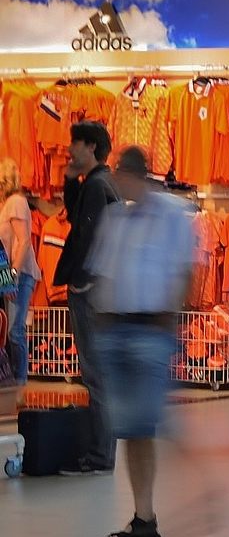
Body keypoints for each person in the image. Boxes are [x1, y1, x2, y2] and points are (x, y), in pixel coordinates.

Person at [87, 147, 195, 537]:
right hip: (116, 330)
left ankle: (204, 491)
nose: (118, 181)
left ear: (136, 174)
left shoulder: (171, 214)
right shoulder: (117, 218)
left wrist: (171, 320)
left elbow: (185, 270)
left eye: (121, 174)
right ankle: (143, 516)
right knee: (132, 429)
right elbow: (103, 270)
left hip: (151, 330)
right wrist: (101, 322)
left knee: (152, 423)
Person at [59, 120, 121, 477]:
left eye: (75, 143)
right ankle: (101, 453)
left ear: (91, 147)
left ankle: (100, 455)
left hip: (91, 291)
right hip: (99, 290)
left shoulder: (98, 186)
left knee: (95, 374)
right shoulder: (99, 183)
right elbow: (76, 221)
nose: (69, 149)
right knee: (98, 374)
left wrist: (82, 281)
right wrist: (69, 178)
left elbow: (89, 236)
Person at [1, 157, 41, 382]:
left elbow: (24, 241)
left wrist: (11, 278)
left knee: (15, 331)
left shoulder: (16, 202)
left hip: (20, 274)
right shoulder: (8, 204)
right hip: (11, 274)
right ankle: (15, 381)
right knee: (10, 332)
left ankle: (20, 383)